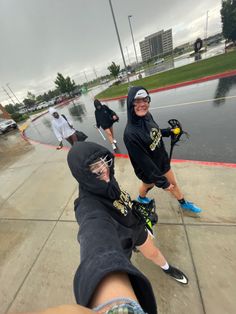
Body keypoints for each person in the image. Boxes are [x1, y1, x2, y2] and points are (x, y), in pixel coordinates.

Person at [66, 141, 188, 314]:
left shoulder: (106, 176)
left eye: (104, 162)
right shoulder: (87, 206)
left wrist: (136, 212)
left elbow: (119, 195)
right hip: (119, 245)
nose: (104, 171)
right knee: (125, 274)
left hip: (135, 226)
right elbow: (95, 239)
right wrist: (118, 306)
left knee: (153, 253)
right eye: (96, 169)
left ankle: (167, 269)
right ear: (83, 175)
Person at [123, 86, 202, 214]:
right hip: (148, 170)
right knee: (148, 185)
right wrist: (161, 182)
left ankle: (184, 203)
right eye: (137, 101)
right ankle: (141, 198)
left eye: (145, 100)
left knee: (173, 183)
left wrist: (168, 131)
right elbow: (144, 162)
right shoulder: (130, 134)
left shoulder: (147, 116)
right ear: (130, 103)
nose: (142, 104)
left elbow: (154, 132)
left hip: (161, 160)